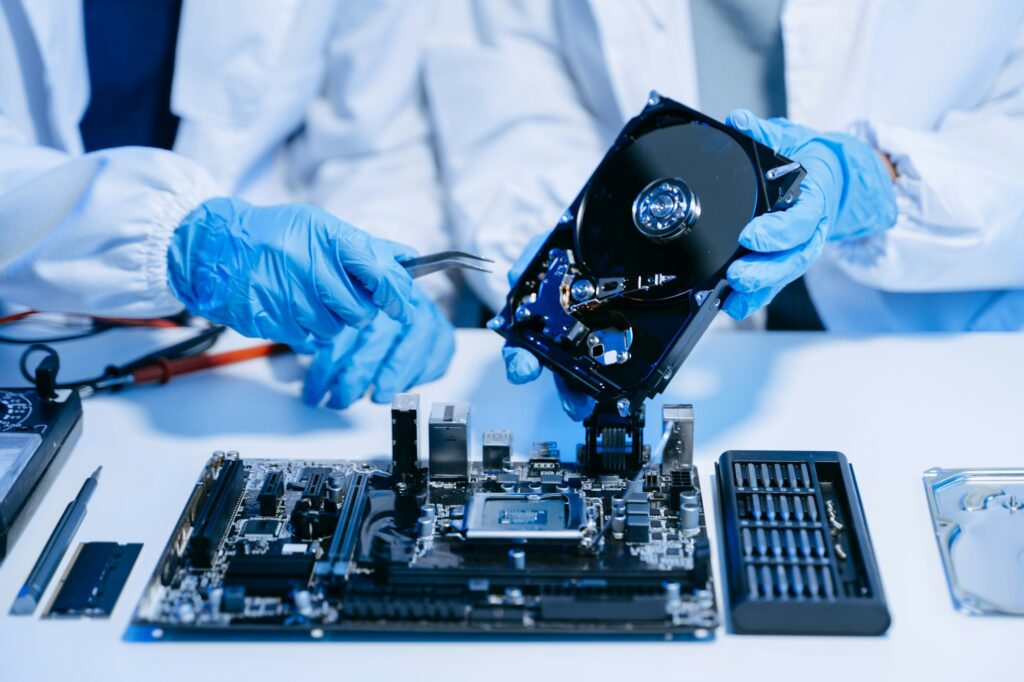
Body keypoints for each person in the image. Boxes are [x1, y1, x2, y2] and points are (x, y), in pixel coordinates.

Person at [423, 0, 1024, 418]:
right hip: (654, 310)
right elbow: (516, 94)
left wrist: (879, 179)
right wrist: (567, 253)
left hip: (932, 348)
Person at [0, 0, 454, 409]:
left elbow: (375, 140)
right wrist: (183, 240)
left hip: (250, 344)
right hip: (17, 334)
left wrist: (365, 271)